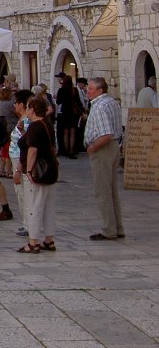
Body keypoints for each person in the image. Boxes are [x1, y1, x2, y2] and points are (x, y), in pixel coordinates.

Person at [84, 77, 125, 241]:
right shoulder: (112, 103)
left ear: (100, 90)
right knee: (112, 189)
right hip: (114, 146)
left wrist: (92, 148)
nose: (88, 91)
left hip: (103, 148)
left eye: (91, 89)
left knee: (103, 190)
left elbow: (106, 133)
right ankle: (117, 227)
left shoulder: (99, 106)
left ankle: (109, 229)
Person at [17, 96, 59, 253]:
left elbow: (32, 150)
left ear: (32, 109)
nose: (26, 110)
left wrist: (28, 170)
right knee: (48, 206)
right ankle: (49, 239)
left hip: (38, 171)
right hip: (50, 169)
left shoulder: (35, 126)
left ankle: (33, 241)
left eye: (28, 107)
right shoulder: (47, 124)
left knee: (34, 205)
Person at [9, 89, 33, 238]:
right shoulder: (22, 121)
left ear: (22, 105)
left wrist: (19, 168)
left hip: (20, 160)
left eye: (16, 102)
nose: (14, 105)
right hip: (16, 158)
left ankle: (29, 225)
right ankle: (27, 223)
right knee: (21, 193)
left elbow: (26, 144)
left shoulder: (26, 122)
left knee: (24, 193)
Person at [55, 73, 83, 158]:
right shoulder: (74, 90)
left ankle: (66, 151)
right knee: (72, 132)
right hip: (73, 113)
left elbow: (58, 102)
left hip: (65, 112)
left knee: (65, 133)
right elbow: (78, 102)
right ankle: (71, 151)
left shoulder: (61, 90)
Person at [0, 86, 18, 177]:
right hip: (11, 127)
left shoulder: (0, 103)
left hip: (3, 128)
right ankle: (8, 170)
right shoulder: (10, 104)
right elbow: (17, 113)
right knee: (9, 149)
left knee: (5, 149)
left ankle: (2, 169)